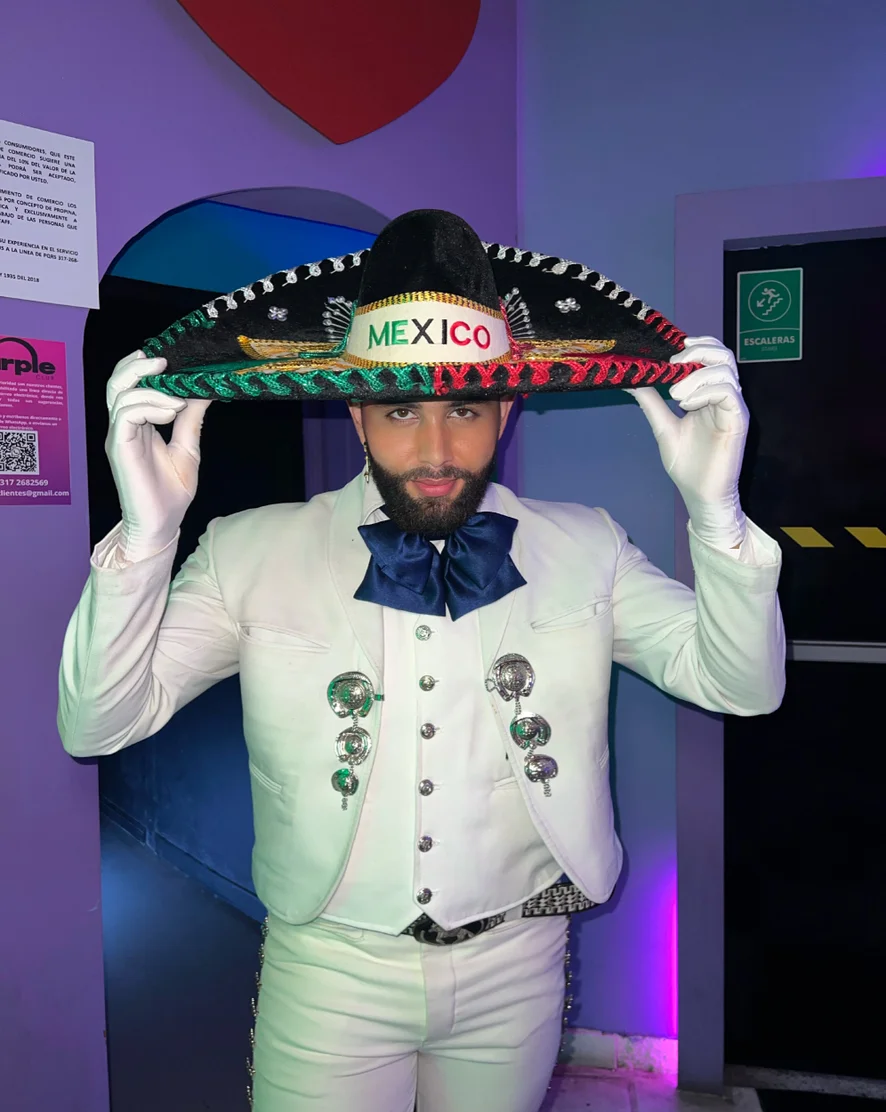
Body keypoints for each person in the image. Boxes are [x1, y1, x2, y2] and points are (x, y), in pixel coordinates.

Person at [58, 210, 784, 1112]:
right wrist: (145, 536)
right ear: (357, 414)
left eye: (465, 409)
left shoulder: (588, 546)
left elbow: (741, 686)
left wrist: (717, 516)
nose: (436, 451)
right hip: (329, 966)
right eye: (401, 409)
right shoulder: (248, 550)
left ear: (506, 410)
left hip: (518, 962)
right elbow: (98, 721)